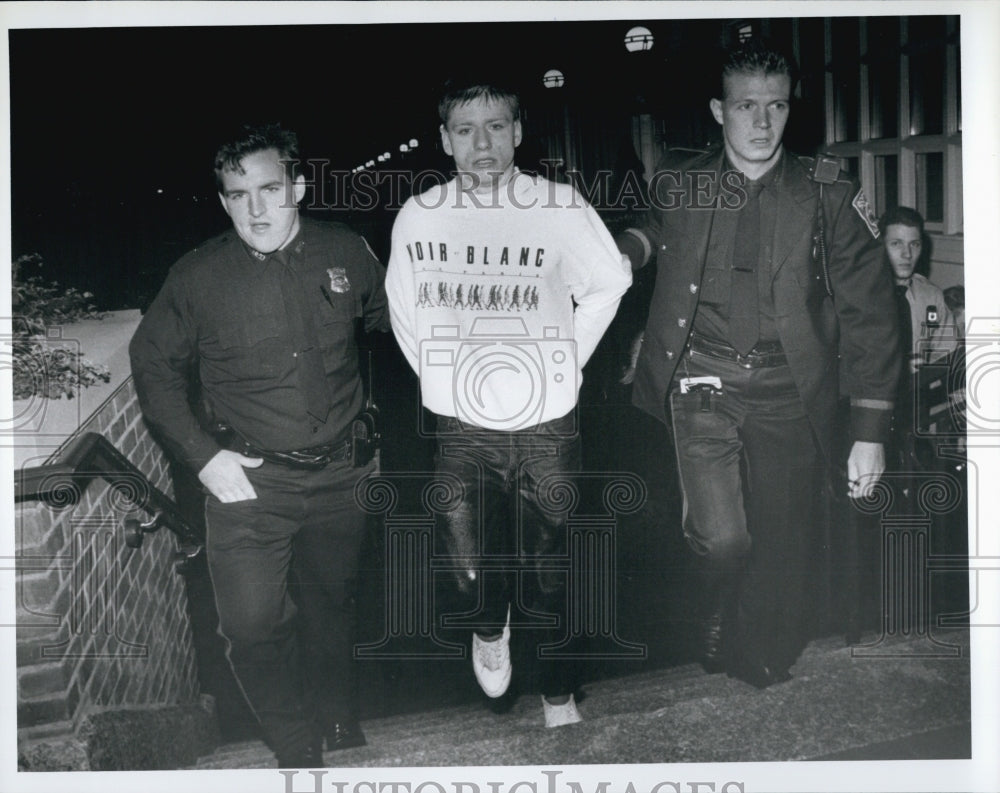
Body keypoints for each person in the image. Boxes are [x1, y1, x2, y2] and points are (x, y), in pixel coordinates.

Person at [615, 40, 901, 688]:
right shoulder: (680, 179)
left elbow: (872, 312)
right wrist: (625, 252)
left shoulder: (829, 194)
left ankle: (754, 634)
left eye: (776, 105)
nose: (763, 122)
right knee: (723, 540)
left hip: (788, 385)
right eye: (747, 105)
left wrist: (870, 433)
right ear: (720, 109)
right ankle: (717, 595)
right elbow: (649, 227)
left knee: (783, 548)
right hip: (702, 378)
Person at [129, 123, 389, 767]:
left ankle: (336, 716)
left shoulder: (348, 250)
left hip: (342, 475)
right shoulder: (196, 278)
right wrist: (203, 456)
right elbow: (152, 365)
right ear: (223, 201)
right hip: (249, 481)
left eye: (270, 189)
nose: (256, 209)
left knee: (332, 605)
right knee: (248, 627)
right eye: (238, 194)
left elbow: (393, 326)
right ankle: (295, 748)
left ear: (297, 186)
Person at [385, 77, 631, 727]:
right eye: (465, 130)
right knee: (464, 570)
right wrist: (443, 378)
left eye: (496, 126)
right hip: (462, 426)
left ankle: (557, 693)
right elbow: (404, 310)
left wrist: (565, 356)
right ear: (444, 140)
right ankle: (488, 628)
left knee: (550, 574)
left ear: (518, 132)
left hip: (548, 423)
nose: (482, 142)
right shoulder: (422, 215)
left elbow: (610, 280)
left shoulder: (556, 206)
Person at [881, 205, 958, 371]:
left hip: (920, 390)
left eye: (914, 244)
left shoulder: (931, 296)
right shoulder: (858, 296)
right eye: (896, 244)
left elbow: (946, 353)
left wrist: (929, 369)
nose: (907, 254)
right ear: (880, 247)